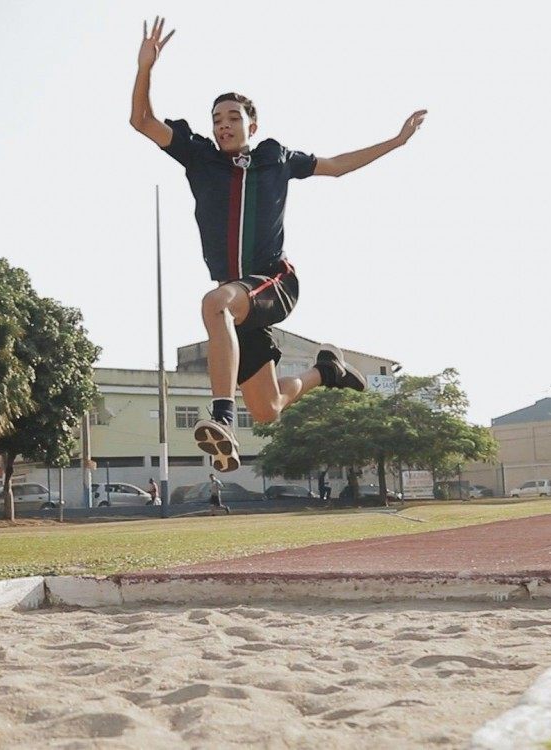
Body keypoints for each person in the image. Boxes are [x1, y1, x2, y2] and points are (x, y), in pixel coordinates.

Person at [130, 17, 426, 474]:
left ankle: (222, 417)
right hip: (240, 297)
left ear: (253, 123)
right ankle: (326, 371)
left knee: (215, 304)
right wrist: (145, 67)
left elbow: (338, 166)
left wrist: (397, 141)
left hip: (274, 281)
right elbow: (142, 120)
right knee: (268, 408)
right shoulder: (198, 155)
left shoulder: (276, 158)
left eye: (233, 117)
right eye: (216, 120)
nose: (223, 125)